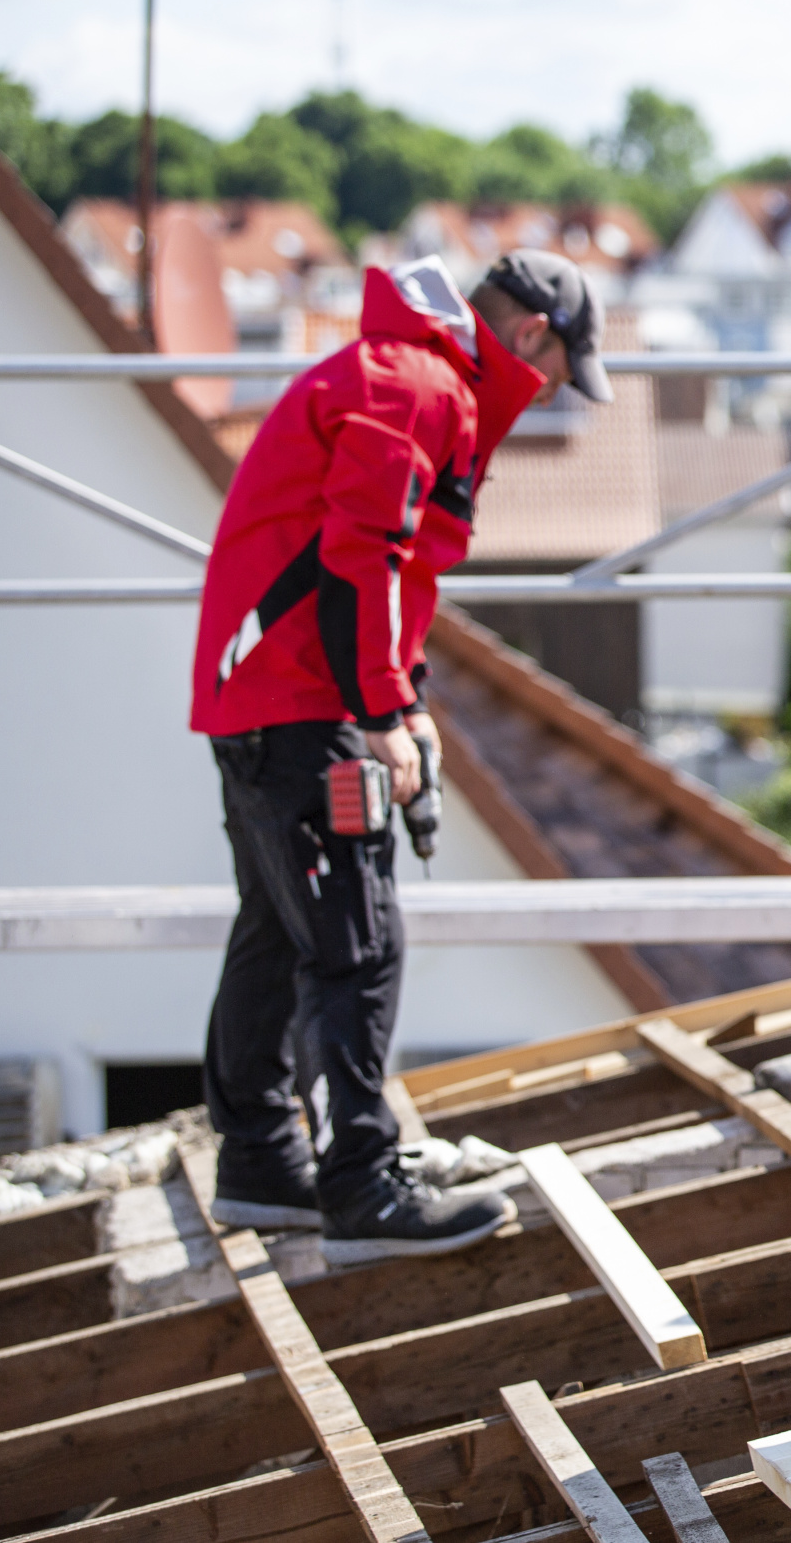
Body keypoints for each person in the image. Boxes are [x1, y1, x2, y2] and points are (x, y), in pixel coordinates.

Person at [190, 250, 612, 1260]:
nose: (552, 389)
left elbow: (385, 576)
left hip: (265, 703)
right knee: (358, 944)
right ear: (530, 333)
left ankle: (257, 1162)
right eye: (558, 366)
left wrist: (405, 701)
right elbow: (359, 561)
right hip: (304, 707)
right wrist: (380, 712)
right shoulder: (419, 385)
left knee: (276, 928)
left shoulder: (401, 372)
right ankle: (362, 1187)